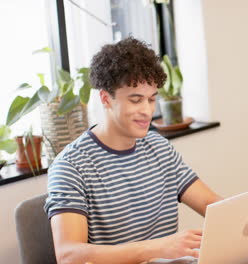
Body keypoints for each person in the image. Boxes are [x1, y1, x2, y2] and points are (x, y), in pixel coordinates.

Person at [44, 37, 222, 264]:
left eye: (151, 99)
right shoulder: (71, 166)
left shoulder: (158, 148)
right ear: (106, 99)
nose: (147, 111)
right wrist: (158, 248)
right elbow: (69, 255)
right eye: (136, 100)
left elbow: (211, 204)